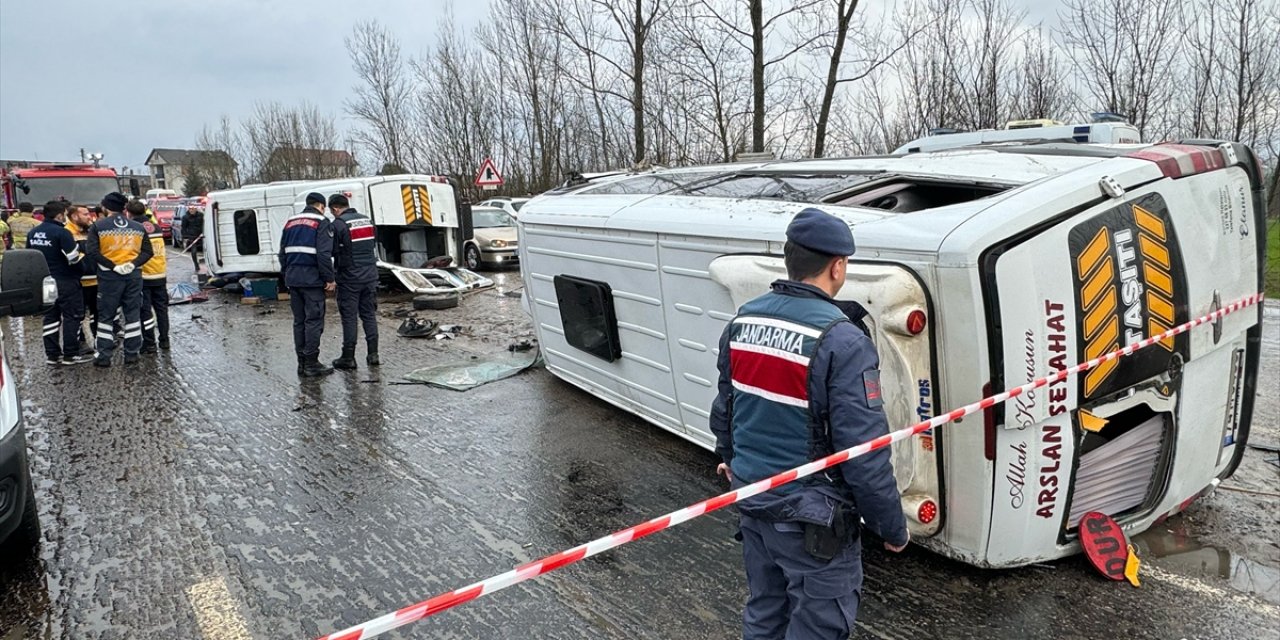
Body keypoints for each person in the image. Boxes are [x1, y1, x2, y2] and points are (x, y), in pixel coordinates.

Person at [709, 208, 909, 640]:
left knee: (765, 611)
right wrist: (890, 527)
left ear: (790, 260)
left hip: (753, 500)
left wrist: (727, 457)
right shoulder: (842, 339)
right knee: (820, 625)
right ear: (838, 266)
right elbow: (864, 452)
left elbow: (727, 403)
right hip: (812, 521)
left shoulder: (744, 320)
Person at [86, 192, 153, 367]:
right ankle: (131, 354)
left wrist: (112, 266)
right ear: (124, 208)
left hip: (109, 277)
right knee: (132, 315)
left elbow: (92, 252)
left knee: (106, 317)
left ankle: (103, 356)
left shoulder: (98, 227)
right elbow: (148, 252)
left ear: (106, 207)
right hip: (133, 276)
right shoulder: (138, 227)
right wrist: (132, 264)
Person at [27, 200, 92, 365]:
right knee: (72, 316)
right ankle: (71, 354)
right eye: (63, 213)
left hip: (45, 282)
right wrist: (82, 270)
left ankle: (52, 355)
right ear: (59, 215)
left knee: (50, 316)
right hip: (65, 281)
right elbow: (73, 258)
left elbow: (30, 257)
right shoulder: (62, 233)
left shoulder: (33, 233)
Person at [279, 192, 335, 377]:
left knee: (299, 321)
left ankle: (301, 363)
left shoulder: (290, 222)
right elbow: (323, 254)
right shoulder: (321, 221)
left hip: (293, 279)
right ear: (321, 205)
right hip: (312, 280)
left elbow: (282, 253)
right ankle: (312, 363)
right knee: (314, 320)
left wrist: (286, 274)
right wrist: (329, 278)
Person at [328, 193, 379, 369]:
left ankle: (348, 357)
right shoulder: (367, 221)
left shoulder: (338, 224)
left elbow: (332, 250)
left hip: (349, 278)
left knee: (349, 317)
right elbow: (372, 244)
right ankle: (373, 354)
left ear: (335, 208)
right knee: (369, 315)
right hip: (370, 275)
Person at [128, 200, 170, 352]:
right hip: (160, 274)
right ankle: (165, 340)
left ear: (129, 213)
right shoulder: (156, 227)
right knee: (162, 310)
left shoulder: (134, 229)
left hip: (144, 276)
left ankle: (149, 342)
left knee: (145, 312)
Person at [65, 205, 100, 352]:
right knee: (78, 314)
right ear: (74, 216)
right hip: (79, 280)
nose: (89, 216)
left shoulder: (91, 229)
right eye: (85, 214)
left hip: (96, 279)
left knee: (97, 312)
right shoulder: (67, 232)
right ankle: (81, 342)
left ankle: (99, 339)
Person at [181, 204, 204, 273]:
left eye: (193, 209)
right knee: (193, 252)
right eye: (190, 209)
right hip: (192, 236)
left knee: (206, 250)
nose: (191, 210)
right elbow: (183, 227)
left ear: (196, 209)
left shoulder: (200, 215)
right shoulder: (185, 217)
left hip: (201, 235)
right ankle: (196, 265)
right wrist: (185, 236)